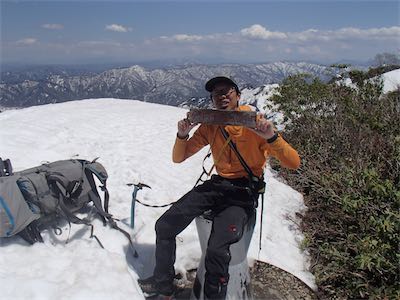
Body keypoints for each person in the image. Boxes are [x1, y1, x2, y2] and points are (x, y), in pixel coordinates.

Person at [138, 76, 300, 299]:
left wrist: (271, 137)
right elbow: (179, 157)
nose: (222, 96)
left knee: (216, 251)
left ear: (237, 94)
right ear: (212, 99)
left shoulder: (256, 124)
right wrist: (182, 135)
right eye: (217, 94)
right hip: (218, 184)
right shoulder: (211, 125)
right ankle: (162, 283)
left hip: (243, 192)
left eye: (227, 91)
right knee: (165, 226)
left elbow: (294, 162)